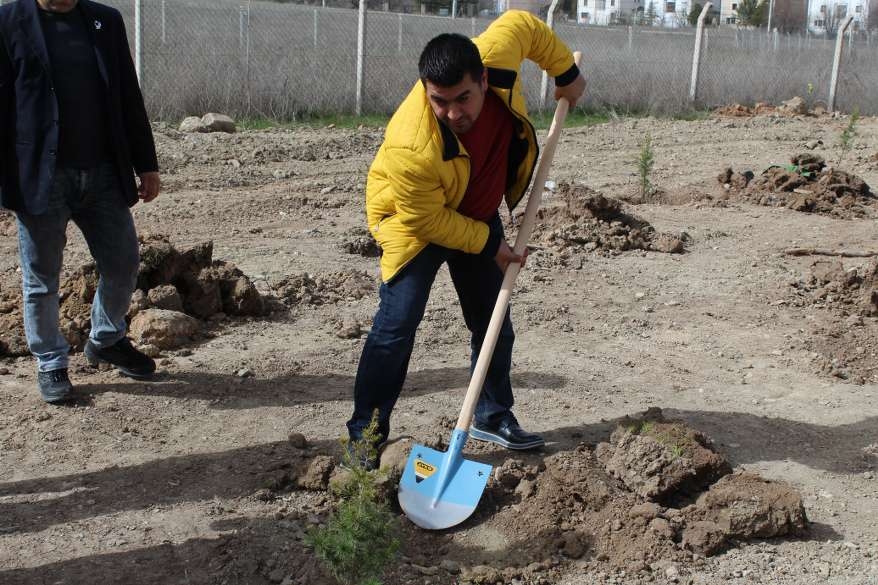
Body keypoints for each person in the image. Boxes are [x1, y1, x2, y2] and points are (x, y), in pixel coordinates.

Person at [346, 10, 586, 466]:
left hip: (475, 210)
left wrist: (567, 74)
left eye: (463, 98)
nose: (453, 113)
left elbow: (526, 25)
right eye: (439, 101)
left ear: (483, 77)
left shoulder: (500, 52)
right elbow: (428, 221)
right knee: (396, 326)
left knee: (493, 319)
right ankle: (366, 434)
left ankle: (493, 417)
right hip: (414, 225)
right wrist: (492, 245)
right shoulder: (410, 146)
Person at [0, 0, 160, 403]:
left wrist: (147, 163)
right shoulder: (8, 21)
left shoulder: (106, 21)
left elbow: (127, 94)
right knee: (42, 278)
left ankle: (106, 338)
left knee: (123, 263)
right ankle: (51, 361)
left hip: (104, 172)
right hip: (39, 175)